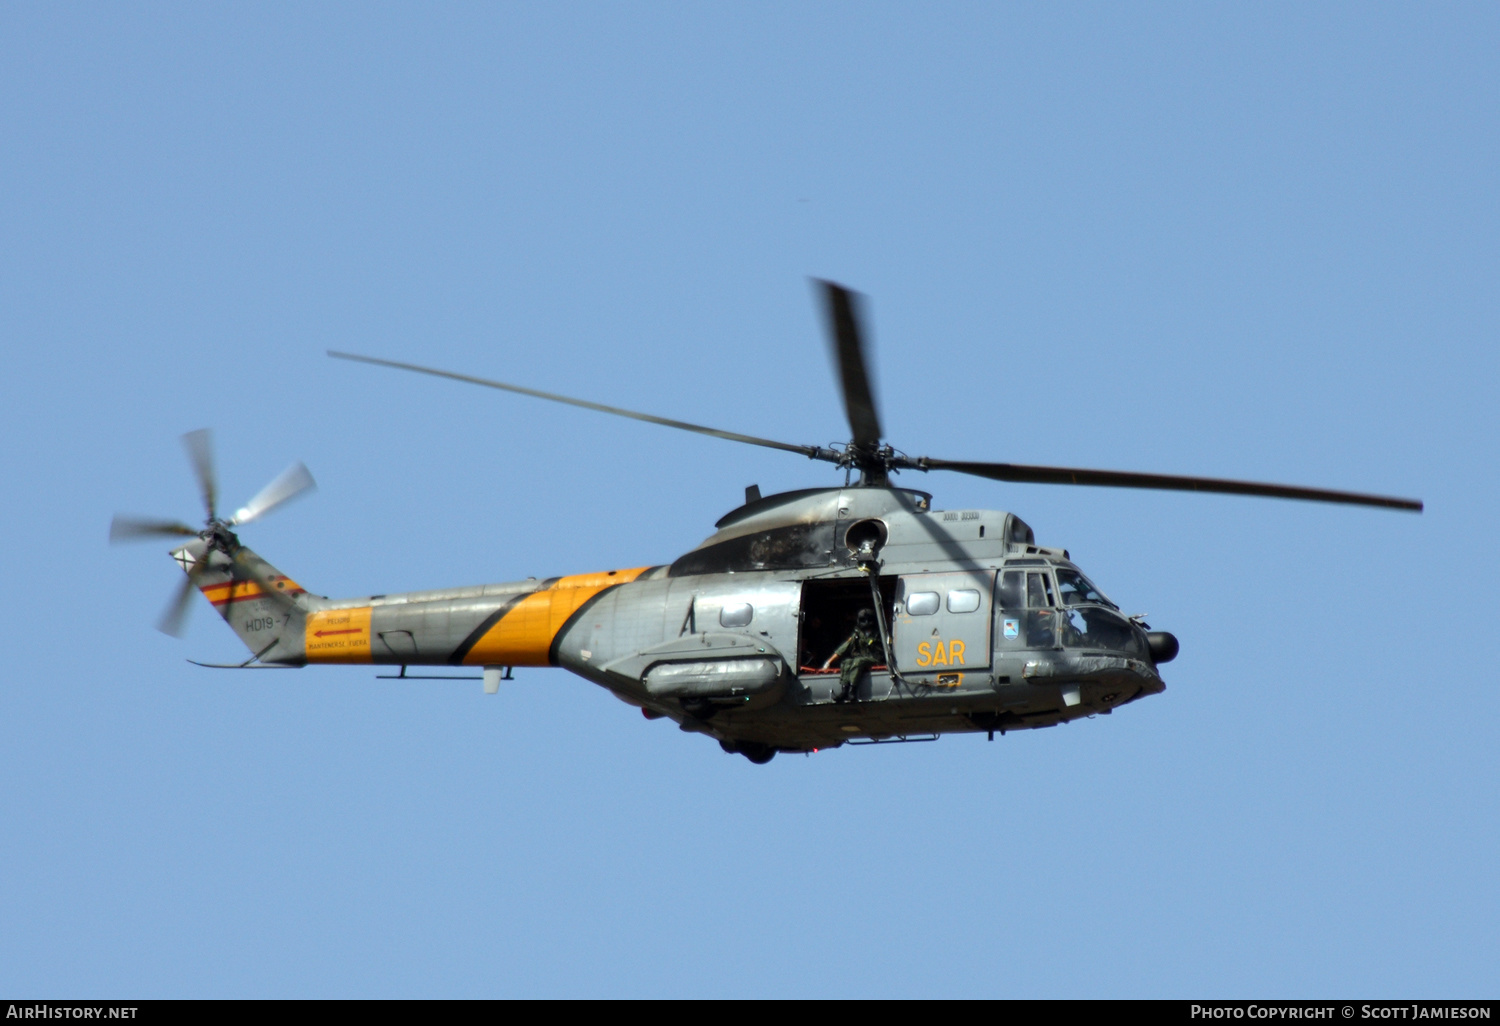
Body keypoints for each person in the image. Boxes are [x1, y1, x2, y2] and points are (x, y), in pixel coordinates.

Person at [823, 608, 882, 703]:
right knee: (846, 662)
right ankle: (844, 690)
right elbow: (843, 648)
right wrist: (829, 662)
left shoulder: (878, 634)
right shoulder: (857, 634)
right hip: (863, 658)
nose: (866, 623)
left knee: (858, 661)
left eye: (868, 620)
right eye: (863, 620)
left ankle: (852, 690)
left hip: (875, 658)